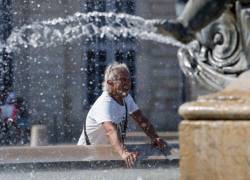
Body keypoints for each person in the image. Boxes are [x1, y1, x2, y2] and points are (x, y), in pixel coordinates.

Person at [78, 62, 167, 168]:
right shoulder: (104, 103)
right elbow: (110, 131)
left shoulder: (126, 98)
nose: (128, 84)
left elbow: (142, 120)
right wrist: (124, 153)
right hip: (86, 157)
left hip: (106, 154)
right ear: (110, 83)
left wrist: (155, 137)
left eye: (129, 80)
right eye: (123, 80)